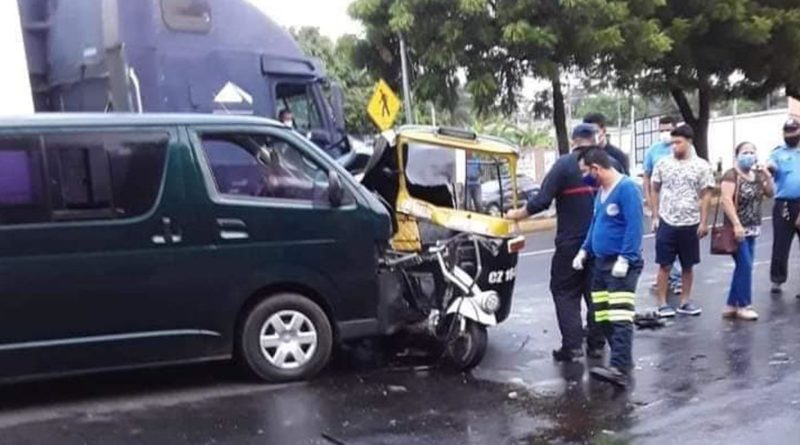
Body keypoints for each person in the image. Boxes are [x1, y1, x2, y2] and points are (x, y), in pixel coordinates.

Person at [506, 124, 621, 362]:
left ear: (574, 141)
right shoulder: (611, 164)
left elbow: (541, 201)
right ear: (596, 139)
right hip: (604, 243)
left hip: (572, 242)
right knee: (597, 293)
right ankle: (597, 345)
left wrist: (516, 214)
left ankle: (572, 346)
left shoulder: (564, 165)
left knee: (565, 291)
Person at [573, 148, 644, 387]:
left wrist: (626, 258)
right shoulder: (601, 193)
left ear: (596, 168)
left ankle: (619, 368)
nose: (584, 177)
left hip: (621, 264)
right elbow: (596, 224)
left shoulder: (627, 189)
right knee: (601, 315)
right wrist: (585, 249)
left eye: (586, 172)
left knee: (620, 316)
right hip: (601, 264)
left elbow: (635, 227)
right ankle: (621, 359)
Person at [651, 124, 715, 317]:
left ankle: (685, 302)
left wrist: (704, 222)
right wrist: (655, 215)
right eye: (672, 143)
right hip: (667, 221)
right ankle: (662, 303)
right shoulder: (663, 163)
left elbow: (706, 195)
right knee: (664, 264)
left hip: (690, 222)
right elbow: (654, 188)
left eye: (678, 142)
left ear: (689, 142)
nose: (674, 146)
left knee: (688, 265)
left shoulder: (702, 166)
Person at [720, 142, 774, 320]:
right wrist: (736, 224)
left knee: (744, 266)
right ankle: (744, 304)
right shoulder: (731, 175)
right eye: (745, 152)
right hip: (738, 229)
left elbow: (770, 193)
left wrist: (767, 175)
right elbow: (726, 200)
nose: (749, 155)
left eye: (752, 152)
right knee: (745, 265)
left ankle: (731, 304)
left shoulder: (756, 175)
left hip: (753, 227)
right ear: (737, 155)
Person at [643, 116, 683, 295]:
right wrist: (652, 208)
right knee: (664, 243)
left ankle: (678, 278)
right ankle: (670, 278)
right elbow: (647, 177)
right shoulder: (653, 151)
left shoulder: (683, 148)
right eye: (661, 130)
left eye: (668, 129)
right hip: (661, 204)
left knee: (681, 244)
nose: (664, 133)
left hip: (681, 204)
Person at [767, 118, 800, 296]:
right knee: (781, 243)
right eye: (787, 131)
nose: (790, 135)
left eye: (793, 131)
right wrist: (769, 168)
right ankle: (777, 279)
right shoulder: (778, 153)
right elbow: (770, 165)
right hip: (784, 204)